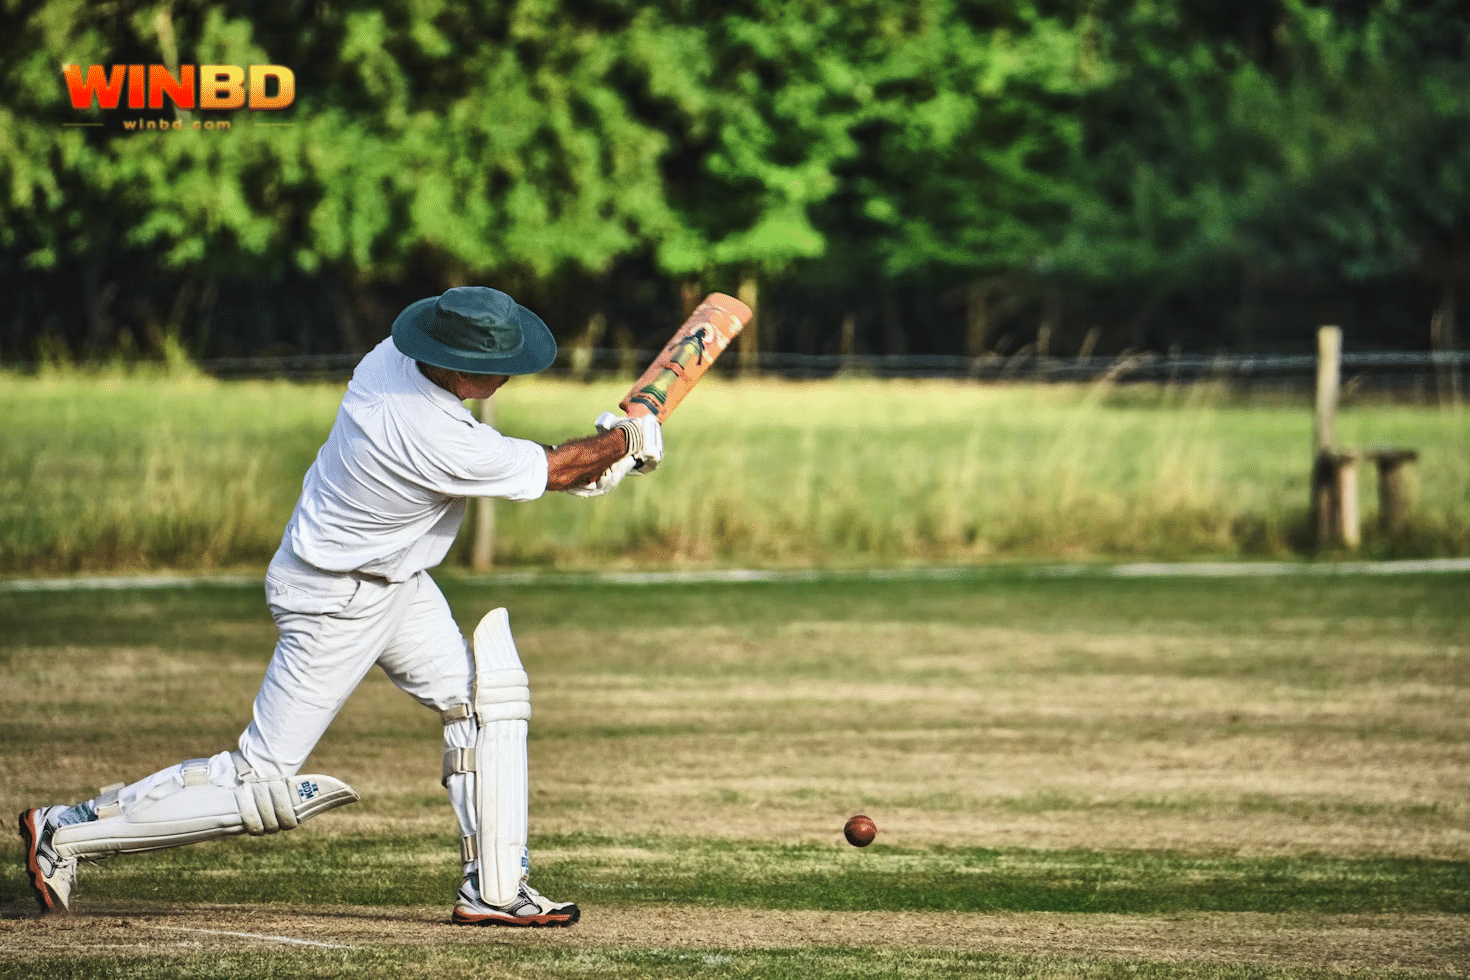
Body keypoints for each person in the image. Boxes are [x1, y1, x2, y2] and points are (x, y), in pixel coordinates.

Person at [18, 286, 661, 927]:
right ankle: (65, 830)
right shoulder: (426, 432)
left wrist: (611, 452)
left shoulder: (391, 358)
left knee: (483, 704)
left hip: (394, 582)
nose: (508, 374)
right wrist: (622, 444)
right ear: (460, 367)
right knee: (258, 781)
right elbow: (548, 471)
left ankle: (495, 889)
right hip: (335, 600)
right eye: (496, 364)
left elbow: (551, 469)